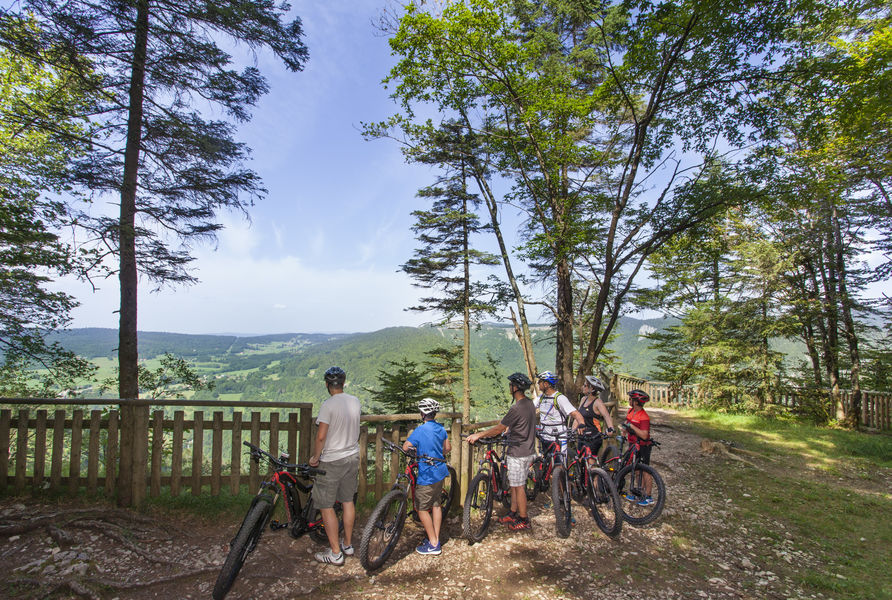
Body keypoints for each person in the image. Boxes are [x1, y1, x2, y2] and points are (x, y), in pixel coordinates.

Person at [467, 372, 537, 531]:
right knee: (514, 484)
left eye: (511, 385)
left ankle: (524, 519)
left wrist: (479, 434)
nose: (509, 387)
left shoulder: (516, 407)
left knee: (519, 486)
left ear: (515, 388)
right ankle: (513, 512)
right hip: (528, 449)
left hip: (518, 452)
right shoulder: (529, 404)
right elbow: (521, 423)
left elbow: (499, 428)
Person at [309, 366, 361, 565]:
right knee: (348, 501)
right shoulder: (355, 401)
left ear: (327, 385)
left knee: (326, 505)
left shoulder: (328, 405)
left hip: (332, 460)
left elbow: (321, 436)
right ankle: (347, 545)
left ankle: (335, 553)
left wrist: (315, 457)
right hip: (352, 456)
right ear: (343, 383)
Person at [403, 397, 451, 556]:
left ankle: (433, 543)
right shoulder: (441, 429)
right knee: (436, 504)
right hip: (440, 471)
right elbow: (447, 448)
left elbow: (406, 447)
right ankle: (435, 537)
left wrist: (416, 451)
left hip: (428, 475)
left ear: (422, 413)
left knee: (421, 508)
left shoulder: (420, 430)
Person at [533, 371, 584, 456]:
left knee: (560, 461)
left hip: (559, 435)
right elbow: (528, 408)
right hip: (545, 434)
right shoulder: (541, 398)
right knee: (547, 460)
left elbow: (575, 413)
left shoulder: (560, 398)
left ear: (546, 384)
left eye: (540, 382)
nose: (538, 384)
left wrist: (581, 424)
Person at [622, 388, 654, 506]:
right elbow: (626, 424)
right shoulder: (631, 411)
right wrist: (624, 433)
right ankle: (638, 492)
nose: (629, 400)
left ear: (636, 402)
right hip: (632, 444)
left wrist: (632, 427)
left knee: (645, 470)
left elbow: (645, 435)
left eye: (631, 399)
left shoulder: (644, 416)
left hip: (643, 446)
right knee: (635, 469)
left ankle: (649, 496)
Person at [577, 375, 615, 466]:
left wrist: (610, 428)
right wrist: (571, 429)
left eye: (585, 385)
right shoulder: (583, 399)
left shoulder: (598, 402)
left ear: (592, 389)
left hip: (593, 436)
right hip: (582, 435)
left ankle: (595, 480)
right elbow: (578, 417)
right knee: (580, 461)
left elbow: (606, 416)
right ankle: (583, 480)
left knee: (591, 463)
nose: (583, 387)